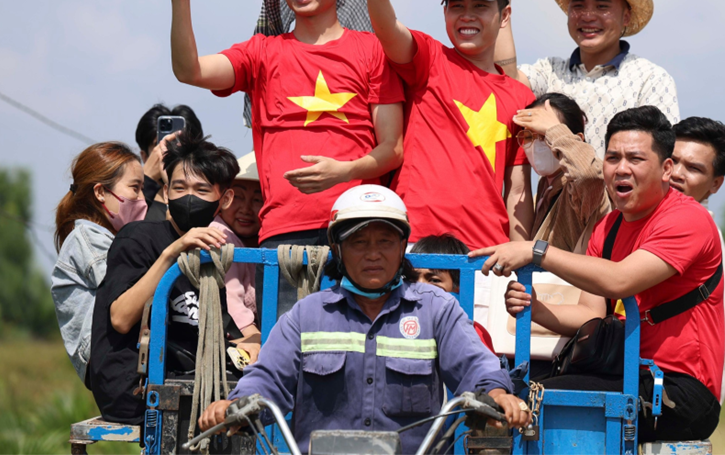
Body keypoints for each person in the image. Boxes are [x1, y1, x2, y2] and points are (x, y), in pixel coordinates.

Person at [198, 185, 530, 454]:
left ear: (402, 247)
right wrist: (236, 405)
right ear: (337, 248)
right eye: (359, 242)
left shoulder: (436, 309)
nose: (373, 253)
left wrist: (496, 393)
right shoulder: (306, 315)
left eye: (385, 241)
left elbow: (477, 367)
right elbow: (268, 379)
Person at [472, 106, 723, 442]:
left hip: (678, 388)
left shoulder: (687, 219)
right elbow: (591, 314)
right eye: (613, 157)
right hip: (626, 370)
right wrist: (533, 307)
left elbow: (620, 280)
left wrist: (536, 251)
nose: (621, 169)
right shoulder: (608, 227)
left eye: (635, 159)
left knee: (534, 401)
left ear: (665, 169)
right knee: (505, 397)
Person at [156, 0, 405, 248]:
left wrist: (344, 172)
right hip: (282, 232)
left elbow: (392, 148)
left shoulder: (373, 50)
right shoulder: (260, 52)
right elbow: (190, 71)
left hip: (358, 224)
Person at [344, 0, 534, 249]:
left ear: (504, 16)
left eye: (480, 6)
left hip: (484, 254)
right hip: (416, 245)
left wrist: (519, 257)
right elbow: (389, 30)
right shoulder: (430, 59)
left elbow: (518, 189)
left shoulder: (521, 95)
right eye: (456, 5)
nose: (467, 15)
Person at [88, 132, 239, 424]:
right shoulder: (138, 237)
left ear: (225, 199)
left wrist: (254, 347)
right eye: (179, 187)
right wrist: (172, 253)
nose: (189, 198)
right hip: (137, 388)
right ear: (166, 191)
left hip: (187, 380)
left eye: (202, 189)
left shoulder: (210, 257)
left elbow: (222, 330)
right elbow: (120, 318)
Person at [491, 0, 679, 158]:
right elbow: (506, 80)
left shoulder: (650, 78)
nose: (588, 16)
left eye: (602, 6)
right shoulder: (550, 70)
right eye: (578, 5)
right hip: (556, 191)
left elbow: (663, 155)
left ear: (626, 17)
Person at [52, 142, 146, 384]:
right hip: (109, 359)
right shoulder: (88, 239)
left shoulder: (112, 238)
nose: (142, 199)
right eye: (135, 188)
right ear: (100, 192)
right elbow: (126, 294)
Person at [671, 116, 725, 404]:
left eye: (693, 168)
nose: (676, 173)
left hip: (680, 392)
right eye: (672, 160)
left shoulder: (693, 233)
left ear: (716, 184)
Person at [515, 92, 610, 253]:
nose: (536, 143)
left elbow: (588, 174)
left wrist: (554, 130)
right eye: (529, 136)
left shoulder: (581, 192)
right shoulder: (541, 194)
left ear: (575, 139)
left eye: (544, 135)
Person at [211, 151, 265, 364]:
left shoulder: (258, 242)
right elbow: (232, 298)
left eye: (257, 200)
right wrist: (256, 337)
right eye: (238, 197)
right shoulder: (221, 236)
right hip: (232, 335)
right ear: (223, 198)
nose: (245, 209)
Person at [410, 234, 495, 352]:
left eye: (434, 280)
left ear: (458, 287)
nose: (420, 288)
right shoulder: (394, 324)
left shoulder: (475, 334)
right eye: (411, 279)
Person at [135, 103, 203, 221]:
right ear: (145, 156)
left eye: (179, 143)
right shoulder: (130, 198)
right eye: (162, 144)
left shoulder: (208, 198)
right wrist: (146, 180)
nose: (172, 151)